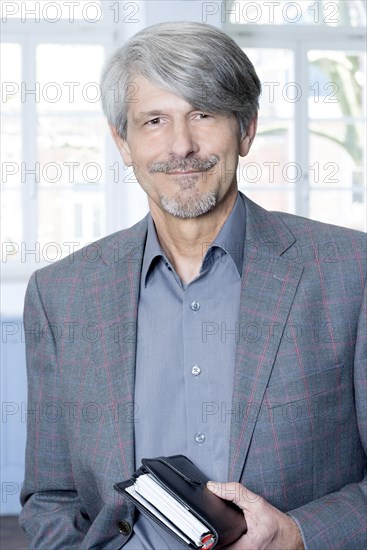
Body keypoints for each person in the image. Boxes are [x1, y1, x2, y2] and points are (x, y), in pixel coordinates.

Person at [19, 21, 366, 550]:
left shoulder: (351, 272)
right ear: (123, 142)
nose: (181, 145)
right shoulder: (59, 294)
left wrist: (300, 534)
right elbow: (51, 498)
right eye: (154, 120)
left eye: (203, 114)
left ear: (246, 129)